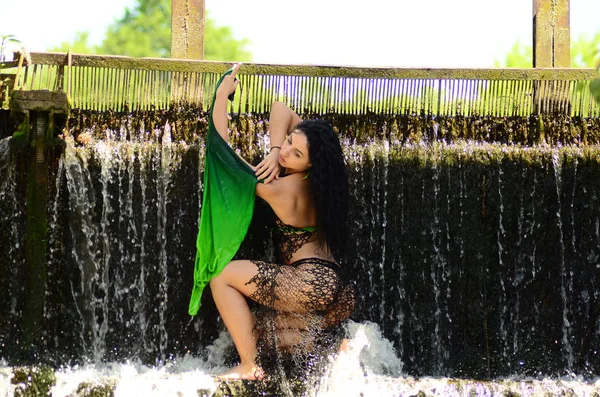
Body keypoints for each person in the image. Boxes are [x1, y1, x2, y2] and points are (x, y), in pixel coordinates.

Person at [207, 64, 355, 381]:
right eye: (289, 141)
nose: (288, 151)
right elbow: (281, 108)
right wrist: (276, 151)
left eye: (295, 153)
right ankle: (335, 346)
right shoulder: (323, 181)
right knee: (262, 328)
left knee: (220, 276)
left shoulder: (279, 189)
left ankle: (249, 365)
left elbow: (223, 156)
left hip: (308, 284)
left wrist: (221, 97)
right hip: (337, 290)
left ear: (311, 162)